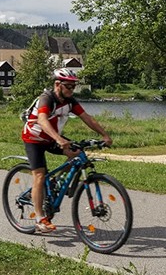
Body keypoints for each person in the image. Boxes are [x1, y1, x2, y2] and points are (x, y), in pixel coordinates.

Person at [22, 68, 112, 233]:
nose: (72, 89)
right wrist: (59, 139)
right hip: (34, 139)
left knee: (77, 153)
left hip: (51, 138)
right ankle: (40, 220)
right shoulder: (47, 98)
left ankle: (55, 182)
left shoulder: (70, 101)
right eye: (68, 86)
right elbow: (42, 120)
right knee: (40, 175)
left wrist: (104, 135)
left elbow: (87, 118)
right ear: (58, 84)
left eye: (73, 86)